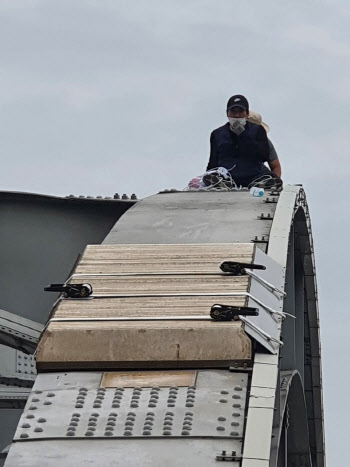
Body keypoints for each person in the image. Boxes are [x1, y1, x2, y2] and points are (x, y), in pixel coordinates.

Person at [206, 95, 282, 188]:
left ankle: (262, 184)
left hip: (253, 175)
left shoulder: (258, 131)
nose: (237, 115)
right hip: (228, 176)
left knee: (264, 176)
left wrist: (244, 135)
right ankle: (222, 184)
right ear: (227, 113)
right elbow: (213, 162)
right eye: (233, 111)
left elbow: (263, 155)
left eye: (240, 111)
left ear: (247, 113)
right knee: (216, 175)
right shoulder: (217, 134)